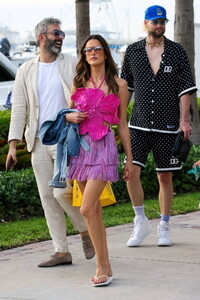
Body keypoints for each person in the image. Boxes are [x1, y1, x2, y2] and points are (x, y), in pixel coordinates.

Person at [5, 17, 94, 267]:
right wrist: (13, 145)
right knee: (47, 196)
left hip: (65, 137)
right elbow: (19, 108)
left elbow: (86, 93)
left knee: (61, 190)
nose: (60, 37)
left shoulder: (71, 64)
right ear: (42, 37)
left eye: (62, 33)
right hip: (37, 140)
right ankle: (61, 251)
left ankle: (86, 231)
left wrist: (78, 114)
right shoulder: (26, 70)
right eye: (56, 33)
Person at [121, 5, 197, 247]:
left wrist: (184, 120)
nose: (160, 25)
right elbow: (126, 87)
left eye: (163, 21)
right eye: (155, 22)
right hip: (139, 125)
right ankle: (140, 221)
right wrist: (120, 118)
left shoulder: (176, 51)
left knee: (165, 177)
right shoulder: (132, 51)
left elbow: (185, 89)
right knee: (130, 172)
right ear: (146, 23)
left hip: (168, 126)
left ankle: (164, 226)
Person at [66, 34, 133, 286]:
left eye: (96, 48)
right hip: (81, 149)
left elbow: (123, 125)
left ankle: (100, 265)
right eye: (87, 50)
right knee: (92, 212)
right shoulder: (78, 83)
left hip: (104, 147)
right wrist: (69, 117)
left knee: (85, 207)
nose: (92, 53)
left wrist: (129, 158)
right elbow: (66, 114)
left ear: (105, 52)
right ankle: (106, 265)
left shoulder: (119, 84)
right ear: (84, 56)